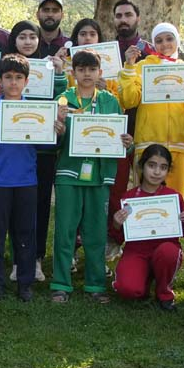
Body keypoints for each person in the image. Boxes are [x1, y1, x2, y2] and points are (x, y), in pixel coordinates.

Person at [0, 54, 58, 301]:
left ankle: (25, 283)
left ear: (26, 81)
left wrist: (54, 131)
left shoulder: (36, 111)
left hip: (26, 180)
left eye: (18, 78)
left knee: (25, 233)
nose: (13, 82)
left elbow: (45, 146)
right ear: (0, 80)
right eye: (8, 77)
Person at [51, 50, 130, 302]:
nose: (87, 74)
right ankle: (60, 283)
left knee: (96, 231)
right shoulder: (63, 100)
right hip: (69, 172)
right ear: (73, 72)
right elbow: (53, 142)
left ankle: (95, 285)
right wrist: (57, 130)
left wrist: (126, 142)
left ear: (100, 72)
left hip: (99, 174)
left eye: (91, 69)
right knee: (65, 229)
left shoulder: (109, 101)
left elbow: (119, 139)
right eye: (81, 69)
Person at [7, 20, 68, 283]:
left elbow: (62, 98)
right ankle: (17, 259)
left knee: (41, 205)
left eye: (32, 36)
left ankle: (36, 259)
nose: (28, 41)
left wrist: (60, 74)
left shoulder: (48, 67)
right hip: (14, 149)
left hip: (43, 151)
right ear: (14, 40)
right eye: (22, 36)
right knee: (14, 206)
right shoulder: (6, 69)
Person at [116, 22, 184, 197]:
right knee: (145, 200)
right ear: (154, 44)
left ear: (177, 41)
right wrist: (129, 65)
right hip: (147, 144)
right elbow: (129, 100)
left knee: (176, 200)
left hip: (179, 146)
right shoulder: (142, 67)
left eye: (169, 39)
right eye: (159, 40)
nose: (165, 44)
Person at [111, 145, 184, 310]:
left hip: (164, 252)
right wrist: (116, 223)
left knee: (168, 252)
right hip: (137, 252)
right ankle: (143, 279)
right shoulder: (128, 198)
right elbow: (119, 237)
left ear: (168, 171)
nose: (157, 172)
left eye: (163, 167)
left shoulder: (173, 197)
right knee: (128, 289)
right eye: (151, 165)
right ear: (141, 166)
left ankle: (164, 292)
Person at [105, 0, 156, 251]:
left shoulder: (149, 51)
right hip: (108, 127)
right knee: (113, 185)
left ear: (138, 18)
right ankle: (112, 237)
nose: (123, 20)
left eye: (128, 15)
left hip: (142, 126)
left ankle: (142, 239)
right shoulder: (106, 51)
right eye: (119, 15)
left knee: (142, 185)